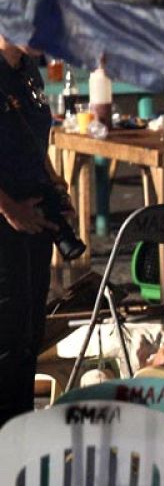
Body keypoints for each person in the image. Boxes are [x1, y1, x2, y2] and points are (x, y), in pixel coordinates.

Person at [0, 35, 63, 428]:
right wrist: (8, 208)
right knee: (5, 340)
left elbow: (33, 137)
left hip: (35, 220)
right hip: (7, 223)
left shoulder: (26, 71)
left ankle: (18, 440)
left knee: (28, 338)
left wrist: (54, 182)